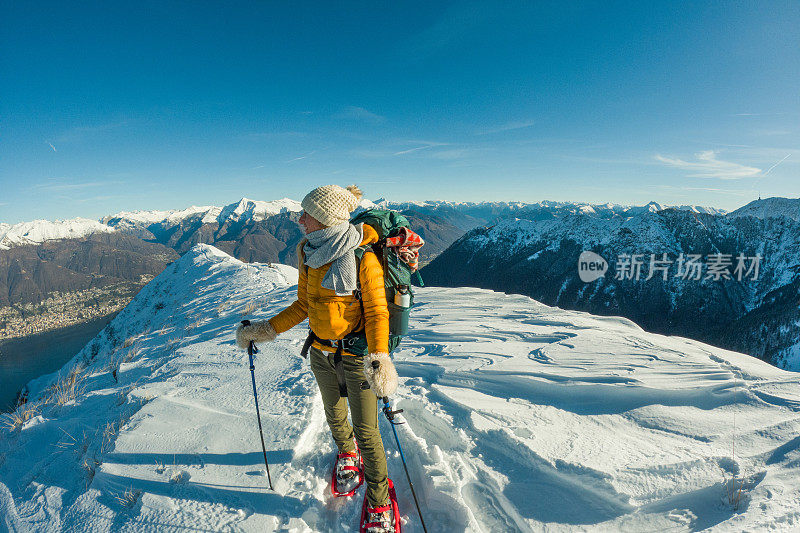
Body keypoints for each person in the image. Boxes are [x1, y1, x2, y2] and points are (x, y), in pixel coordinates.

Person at [235, 184, 399, 533]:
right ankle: (347, 455)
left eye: (305, 214)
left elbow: (377, 311)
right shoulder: (308, 252)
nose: (299, 219)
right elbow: (304, 305)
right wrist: (266, 329)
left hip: (356, 357)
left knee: (367, 430)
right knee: (335, 414)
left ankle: (380, 501)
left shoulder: (361, 257)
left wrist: (380, 357)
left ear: (324, 218)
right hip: (321, 352)